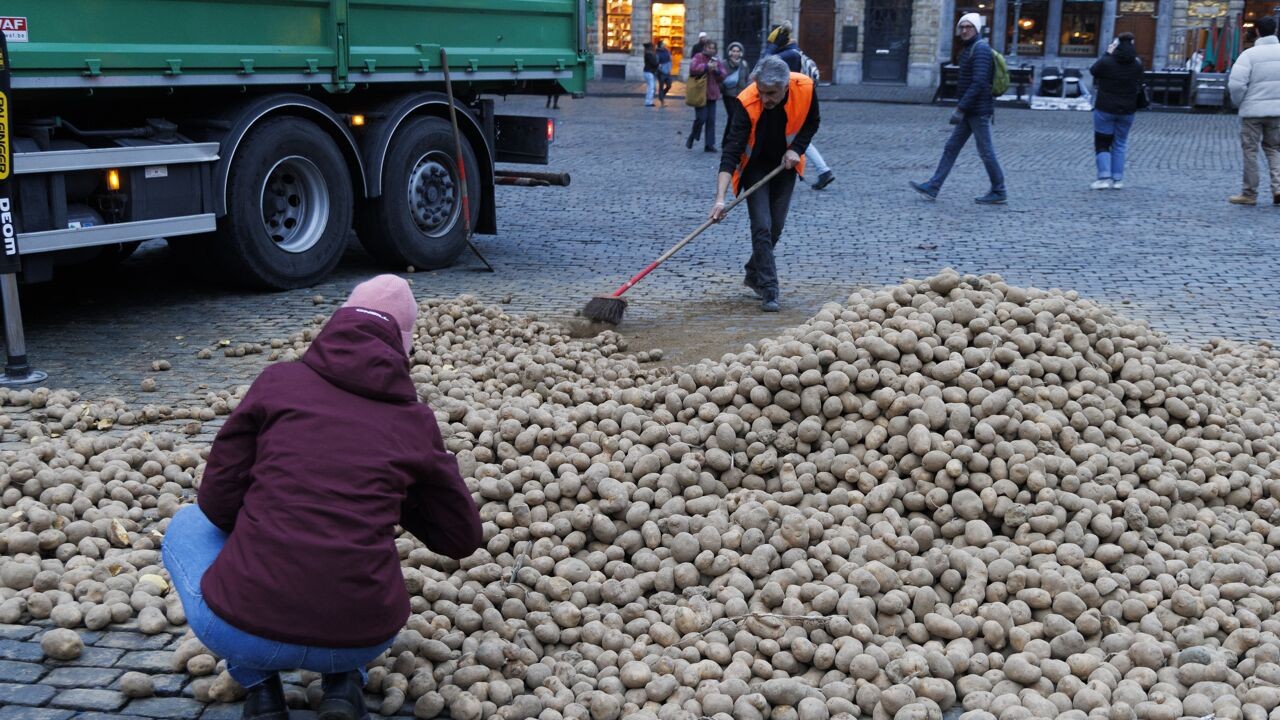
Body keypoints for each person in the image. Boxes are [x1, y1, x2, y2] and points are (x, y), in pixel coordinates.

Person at [162, 275, 484, 720]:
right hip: (360, 637)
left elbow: (216, 503)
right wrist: (401, 490)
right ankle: (343, 683)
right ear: (402, 346)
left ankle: (261, 690)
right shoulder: (414, 421)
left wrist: (272, 523)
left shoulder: (277, 382)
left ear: (337, 323)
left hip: (245, 630)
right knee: (359, 553)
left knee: (186, 525)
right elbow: (461, 538)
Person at [710, 55, 819, 313]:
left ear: (785, 87)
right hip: (755, 167)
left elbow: (812, 123)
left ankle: (753, 272)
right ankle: (769, 288)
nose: (765, 98)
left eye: (771, 93)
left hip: (785, 164)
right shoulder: (746, 102)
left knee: (775, 228)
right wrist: (720, 199)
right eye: (761, 91)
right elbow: (731, 152)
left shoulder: (805, 88)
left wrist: (796, 149)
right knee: (761, 226)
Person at [910, 13, 1006, 204]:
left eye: (968, 27)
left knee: (986, 152)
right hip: (971, 110)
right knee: (951, 147)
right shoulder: (970, 48)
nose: (964, 30)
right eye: (962, 27)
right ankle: (933, 186)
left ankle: (999, 190)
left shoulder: (980, 50)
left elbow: (979, 83)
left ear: (976, 29)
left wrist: (961, 107)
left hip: (977, 111)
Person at [762, 22, 835, 190]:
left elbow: (763, 65)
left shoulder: (788, 54)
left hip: (793, 102)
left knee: (794, 136)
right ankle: (823, 170)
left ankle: (823, 170)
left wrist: (772, 46)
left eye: (772, 41)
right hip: (796, 99)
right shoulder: (793, 52)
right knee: (794, 136)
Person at [1227, 15, 1280, 206]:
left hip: (1252, 111)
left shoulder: (1249, 55)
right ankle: (1278, 187)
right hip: (1277, 111)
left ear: (1257, 31)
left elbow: (1236, 85)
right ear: (1275, 30)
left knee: (1250, 151)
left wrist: (1239, 103)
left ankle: (1249, 193)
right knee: (1274, 149)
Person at [1089, 32, 1145, 190]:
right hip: (1127, 109)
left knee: (1102, 143)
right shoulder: (1137, 64)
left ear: (1116, 45)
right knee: (1120, 144)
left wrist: (1107, 53)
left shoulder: (1107, 62)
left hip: (1105, 108)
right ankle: (1117, 179)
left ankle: (1103, 177)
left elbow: (1094, 70)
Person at [687, 40, 727, 152]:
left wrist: (716, 71)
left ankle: (709, 144)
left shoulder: (716, 60)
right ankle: (693, 135)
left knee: (711, 120)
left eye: (713, 48)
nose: (711, 50)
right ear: (705, 47)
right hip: (700, 93)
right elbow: (693, 68)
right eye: (709, 47)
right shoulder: (698, 57)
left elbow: (723, 74)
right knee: (701, 118)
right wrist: (706, 67)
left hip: (712, 93)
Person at [656, 40, 673, 106]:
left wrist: (670, 67)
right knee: (661, 86)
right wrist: (659, 66)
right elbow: (656, 62)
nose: (665, 44)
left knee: (669, 85)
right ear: (660, 45)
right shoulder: (657, 52)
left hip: (667, 71)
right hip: (661, 72)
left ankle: (662, 94)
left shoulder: (667, 51)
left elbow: (670, 59)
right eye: (663, 44)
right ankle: (662, 101)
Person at [643, 42, 660, 107]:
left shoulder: (648, 53)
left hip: (648, 72)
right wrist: (658, 64)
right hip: (649, 72)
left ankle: (649, 101)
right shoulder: (649, 54)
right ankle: (648, 102)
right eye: (652, 47)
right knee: (651, 88)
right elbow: (654, 63)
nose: (654, 48)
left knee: (651, 87)